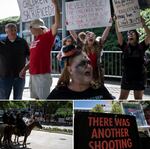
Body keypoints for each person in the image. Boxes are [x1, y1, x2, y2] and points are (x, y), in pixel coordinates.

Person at [20, 0, 60, 99]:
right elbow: (33, 59)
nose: (30, 29)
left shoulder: (47, 36)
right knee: (36, 99)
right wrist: (24, 69)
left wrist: (55, 5)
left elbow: (57, 23)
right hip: (33, 74)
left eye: (32, 27)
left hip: (42, 74)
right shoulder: (35, 40)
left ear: (39, 28)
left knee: (44, 99)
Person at [47, 45, 113, 99]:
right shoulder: (58, 94)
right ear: (70, 70)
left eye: (89, 62)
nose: (89, 66)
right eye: (82, 63)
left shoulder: (99, 88)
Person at [115, 17, 150, 99]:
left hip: (139, 77)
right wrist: (116, 23)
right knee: (122, 99)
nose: (129, 34)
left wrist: (144, 24)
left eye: (132, 33)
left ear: (136, 36)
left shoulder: (142, 46)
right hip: (127, 77)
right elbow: (119, 34)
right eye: (128, 34)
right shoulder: (125, 46)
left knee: (138, 100)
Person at [0, 23, 30, 99]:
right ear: (6, 32)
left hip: (20, 76)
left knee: (18, 98)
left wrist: (26, 69)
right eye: (11, 30)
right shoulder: (1, 42)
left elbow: (30, 58)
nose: (13, 32)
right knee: (3, 99)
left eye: (15, 30)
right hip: (4, 77)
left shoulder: (22, 42)